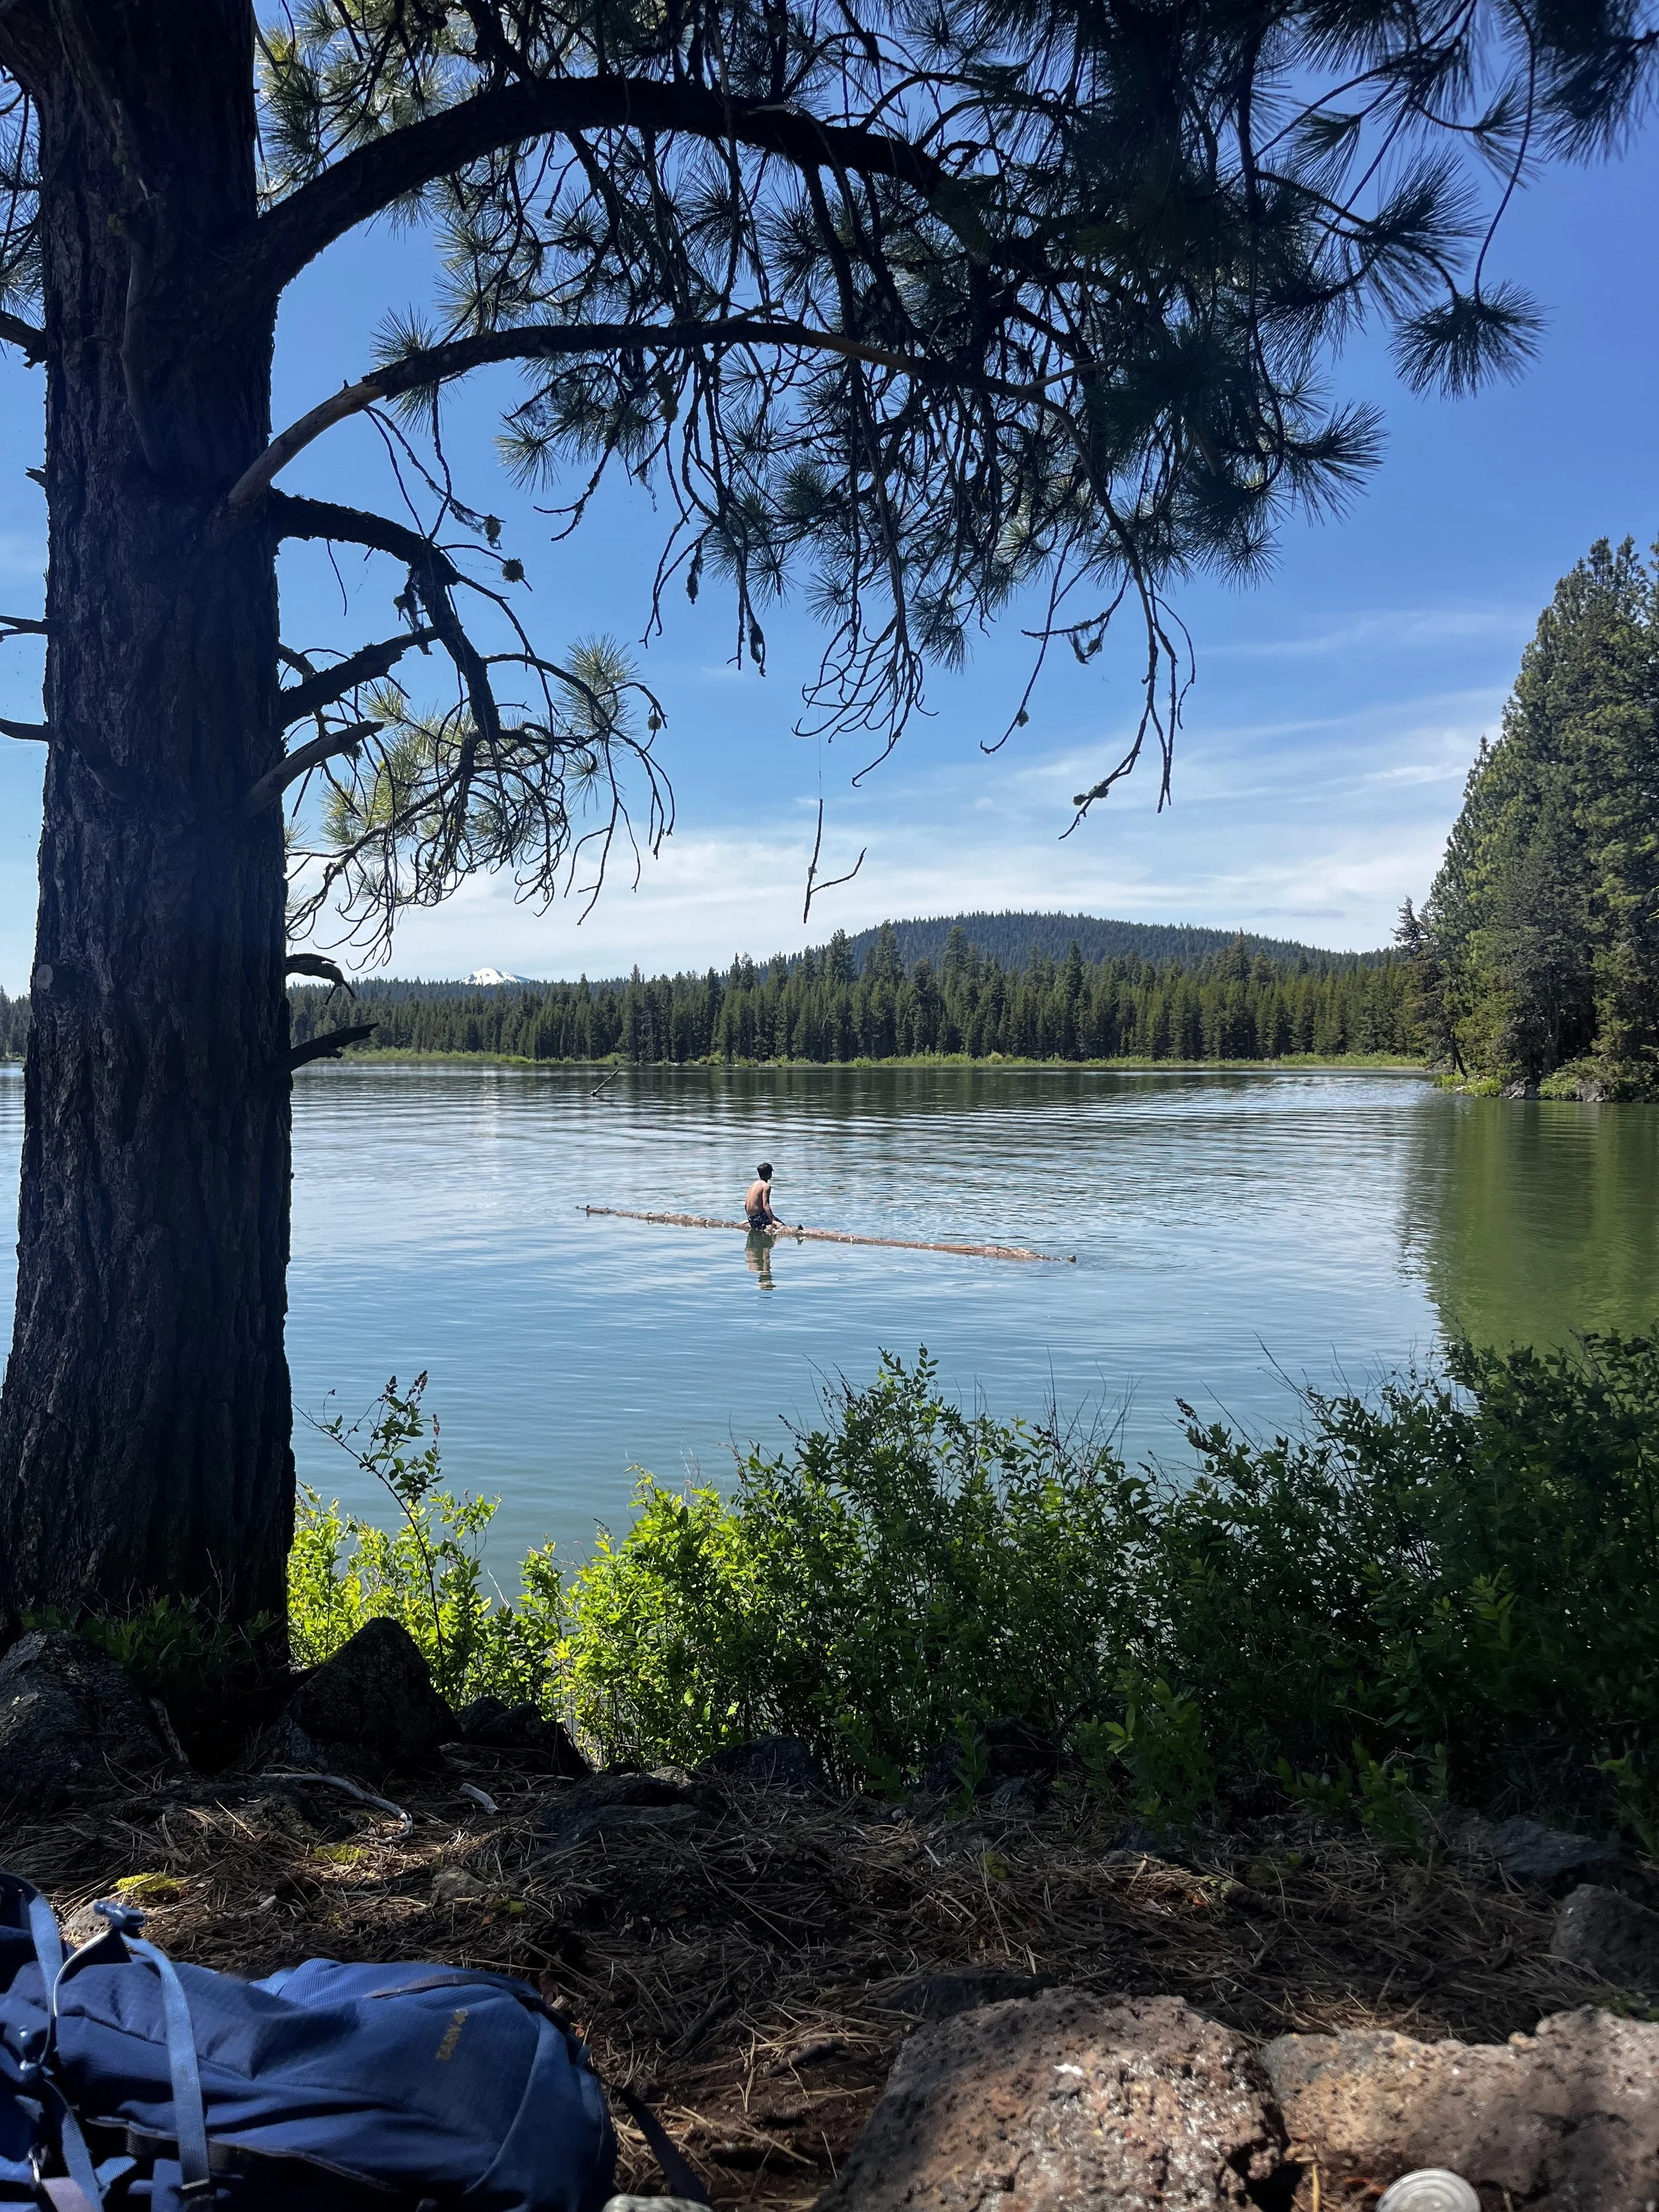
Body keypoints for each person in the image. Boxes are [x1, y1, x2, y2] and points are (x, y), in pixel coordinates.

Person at [745, 1161, 786, 1231]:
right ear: (769, 1174)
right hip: (759, 1219)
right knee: (782, 1225)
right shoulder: (766, 1186)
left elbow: (746, 1205)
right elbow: (766, 1205)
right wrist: (773, 1220)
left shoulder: (753, 1185)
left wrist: (750, 1218)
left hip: (751, 1219)